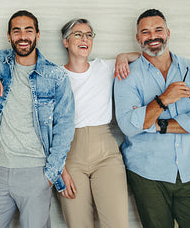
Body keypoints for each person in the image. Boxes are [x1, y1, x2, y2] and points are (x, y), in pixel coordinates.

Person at [0, 10, 75, 228]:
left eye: (28, 31)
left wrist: (50, 175)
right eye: (17, 31)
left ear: (38, 35)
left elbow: (65, 127)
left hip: (36, 174)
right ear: (9, 36)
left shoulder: (55, 76)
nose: (23, 36)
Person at [114, 9, 190, 228]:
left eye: (158, 29)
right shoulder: (126, 75)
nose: (153, 36)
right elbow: (128, 126)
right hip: (147, 174)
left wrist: (156, 124)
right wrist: (164, 99)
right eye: (145, 32)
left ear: (168, 32)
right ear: (137, 38)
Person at [57, 18, 140, 228]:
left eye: (89, 34)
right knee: (78, 224)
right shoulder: (54, 76)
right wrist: (59, 170)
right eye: (78, 34)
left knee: (118, 224)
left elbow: (144, 58)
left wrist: (123, 56)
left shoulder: (105, 66)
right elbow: (45, 126)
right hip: (69, 159)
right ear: (66, 42)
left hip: (106, 156)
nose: (84, 39)